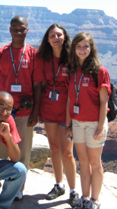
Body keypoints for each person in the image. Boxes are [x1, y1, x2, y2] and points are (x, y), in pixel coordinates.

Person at [0, 15, 44, 200]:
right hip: (2, 112)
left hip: (25, 113)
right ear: (10, 30)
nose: (19, 32)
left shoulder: (33, 55)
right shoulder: (0, 54)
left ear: (27, 30)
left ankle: (18, 187)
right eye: (15, 29)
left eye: (22, 29)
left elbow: (38, 86)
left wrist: (36, 112)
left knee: (23, 151)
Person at [66, 32, 111, 209]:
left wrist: (100, 127)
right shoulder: (73, 70)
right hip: (77, 123)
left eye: (86, 46)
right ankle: (84, 197)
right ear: (74, 49)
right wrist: (68, 125)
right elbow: (70, 100)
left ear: (91, 48)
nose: (82, 50)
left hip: (94, 123)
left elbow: (103, 101)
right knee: (83, 161)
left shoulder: (100, 71)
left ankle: (95, 200)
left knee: (95, 162)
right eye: (79, 46)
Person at [38, 24, 79, 206]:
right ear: (47, 39)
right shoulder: (43, 58)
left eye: (59, 35)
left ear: (65, 37)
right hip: (48, 108)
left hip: (67, 111)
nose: (56, 37)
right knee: (54, 148)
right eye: (52, 35)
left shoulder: (71, 58)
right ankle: (58, 184)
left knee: (67, 153)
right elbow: (40, 83)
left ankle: (73, 190)